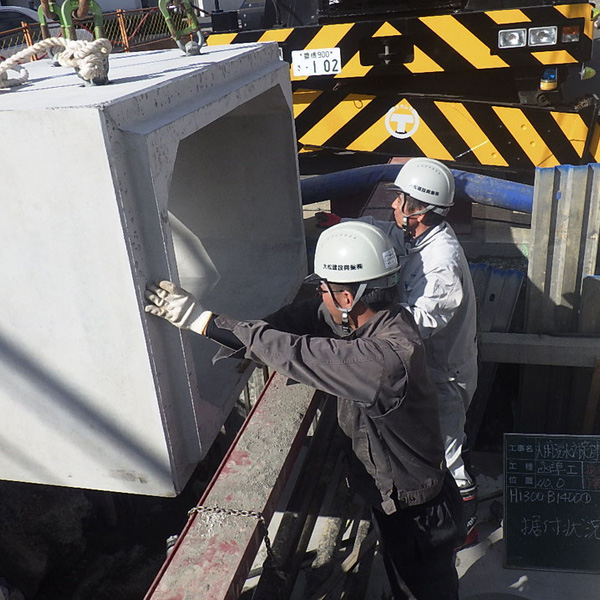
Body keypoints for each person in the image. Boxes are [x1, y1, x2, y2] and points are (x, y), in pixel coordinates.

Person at [145, 221, 466, 600]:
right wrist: (256, 333)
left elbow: (299, 353)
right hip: (402, 500)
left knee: (423, 591)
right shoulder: (384, 318)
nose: (320, 295)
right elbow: (309, 317)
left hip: (418, 517)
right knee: (409, 581)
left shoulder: (382, 360)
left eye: (324, 288)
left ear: (348, 296)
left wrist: (204, 322)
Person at [318, 158, 479, 542]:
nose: (393, 207)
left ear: (418, 209)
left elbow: (417, 324)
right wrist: (347, 229)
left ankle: (463, 525)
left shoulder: (441, 264)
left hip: (443, 377)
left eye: (400, 200)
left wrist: (364, 316)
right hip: (434, 370)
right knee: (441, 447)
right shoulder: (422, 237)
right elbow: (387, 234)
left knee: (447, 454)